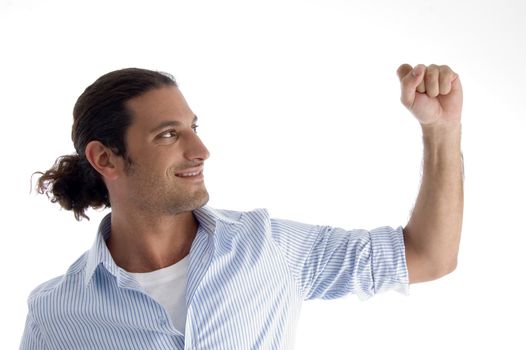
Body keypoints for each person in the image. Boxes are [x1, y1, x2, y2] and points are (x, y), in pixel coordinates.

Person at [20, 64, 464, 349]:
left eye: (193, 127)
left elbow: (428, 256)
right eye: (169, 135)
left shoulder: (268, 247)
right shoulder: (55, 315)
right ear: (105, 158)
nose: (201, 150)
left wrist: (441, 130)